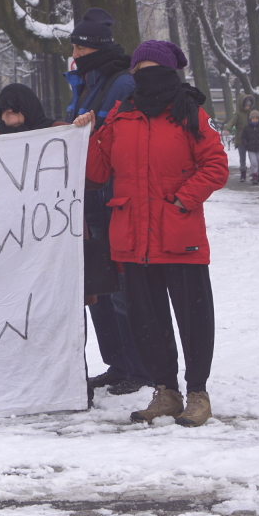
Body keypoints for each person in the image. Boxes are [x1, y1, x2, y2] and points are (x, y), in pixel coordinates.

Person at [86, 40, 229, 427]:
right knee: (146, 322)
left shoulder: (190, 113)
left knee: (194, 319)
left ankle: (197, 392)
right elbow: (97, 174)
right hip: (132, 239)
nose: (144, 76)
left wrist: (183, 200)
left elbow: (216, 165)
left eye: (153, 68)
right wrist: (94, 132)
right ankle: (166, 392)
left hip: (179, 236)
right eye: (139, 69)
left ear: (170, 73)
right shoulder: (120, 116)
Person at [64, 8, 151, 399]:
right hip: (89, 198)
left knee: (118, 291)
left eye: (80, 47)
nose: (75, 54)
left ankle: (139, 365)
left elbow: (115, 136)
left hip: (111, 198)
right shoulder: (86, 82)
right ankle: (118, 363)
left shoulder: (120, 83)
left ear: (94, 48)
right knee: (97, 289)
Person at [225, 94, 259, 183]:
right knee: (242, 158)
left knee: (252, 158)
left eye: (249, 105)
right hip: (240, 139)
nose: (247, 107)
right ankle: (243, 173)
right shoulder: (237, 114)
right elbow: (232, 122)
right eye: (246, 105)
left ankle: (254, 172)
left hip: (251, 139)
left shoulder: (252, 114)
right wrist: (227, 129)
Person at [240, 109, 259, 185]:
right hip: (251, 148)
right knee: (254, 163)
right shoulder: (246, 128)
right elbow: (244, 137)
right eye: (253, 118)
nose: (255, 120)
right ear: (250, 119)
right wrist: (246, 144)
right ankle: (254, 176)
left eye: (256, 118)